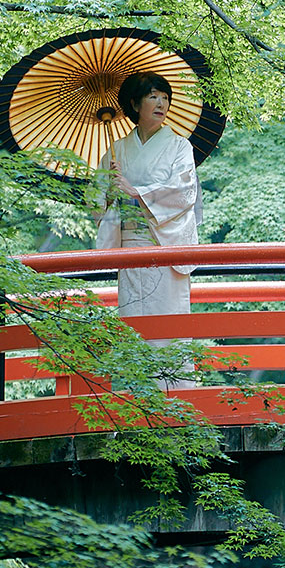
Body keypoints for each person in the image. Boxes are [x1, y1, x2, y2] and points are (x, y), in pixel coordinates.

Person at [95, 71, 200, 378]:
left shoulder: (180, 147)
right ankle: (134, 400)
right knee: (133, 324)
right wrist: (109, 191)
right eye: (153, 96)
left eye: (165, 97)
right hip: (130, 249)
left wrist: (136, 191)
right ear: (134, 103)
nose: (161, 103)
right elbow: (94, 206)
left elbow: (184, 192)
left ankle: (175, 400)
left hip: (164, 248)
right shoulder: (115, 152)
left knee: (169, 326)